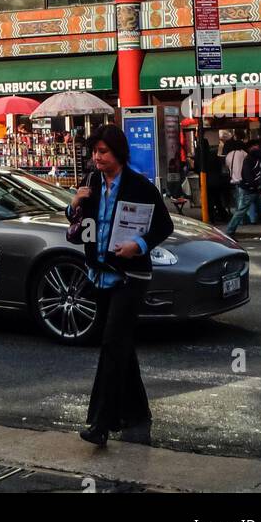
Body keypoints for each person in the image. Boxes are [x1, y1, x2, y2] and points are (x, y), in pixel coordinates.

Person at [68, 124, 173, 449]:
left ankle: (101, 423)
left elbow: (164, 225)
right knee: (121, 347)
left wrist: (138, 245)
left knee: (112, 344)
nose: (97, 158)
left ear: (118, 153)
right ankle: (137, 411)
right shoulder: (90, 184)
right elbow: (78, 227)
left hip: (130, 277)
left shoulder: (139, 186)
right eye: (94, 152)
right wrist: (74, 205)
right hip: (99, 274)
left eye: (103, 152)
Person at [226, 138, 261, 240]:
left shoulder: (248, 158)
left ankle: (229, 232)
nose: (255, 147)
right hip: (253, 189)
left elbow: (246, 175)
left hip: (249, 188)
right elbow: (249, 175)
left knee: (242, 211)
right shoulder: (254, 158)